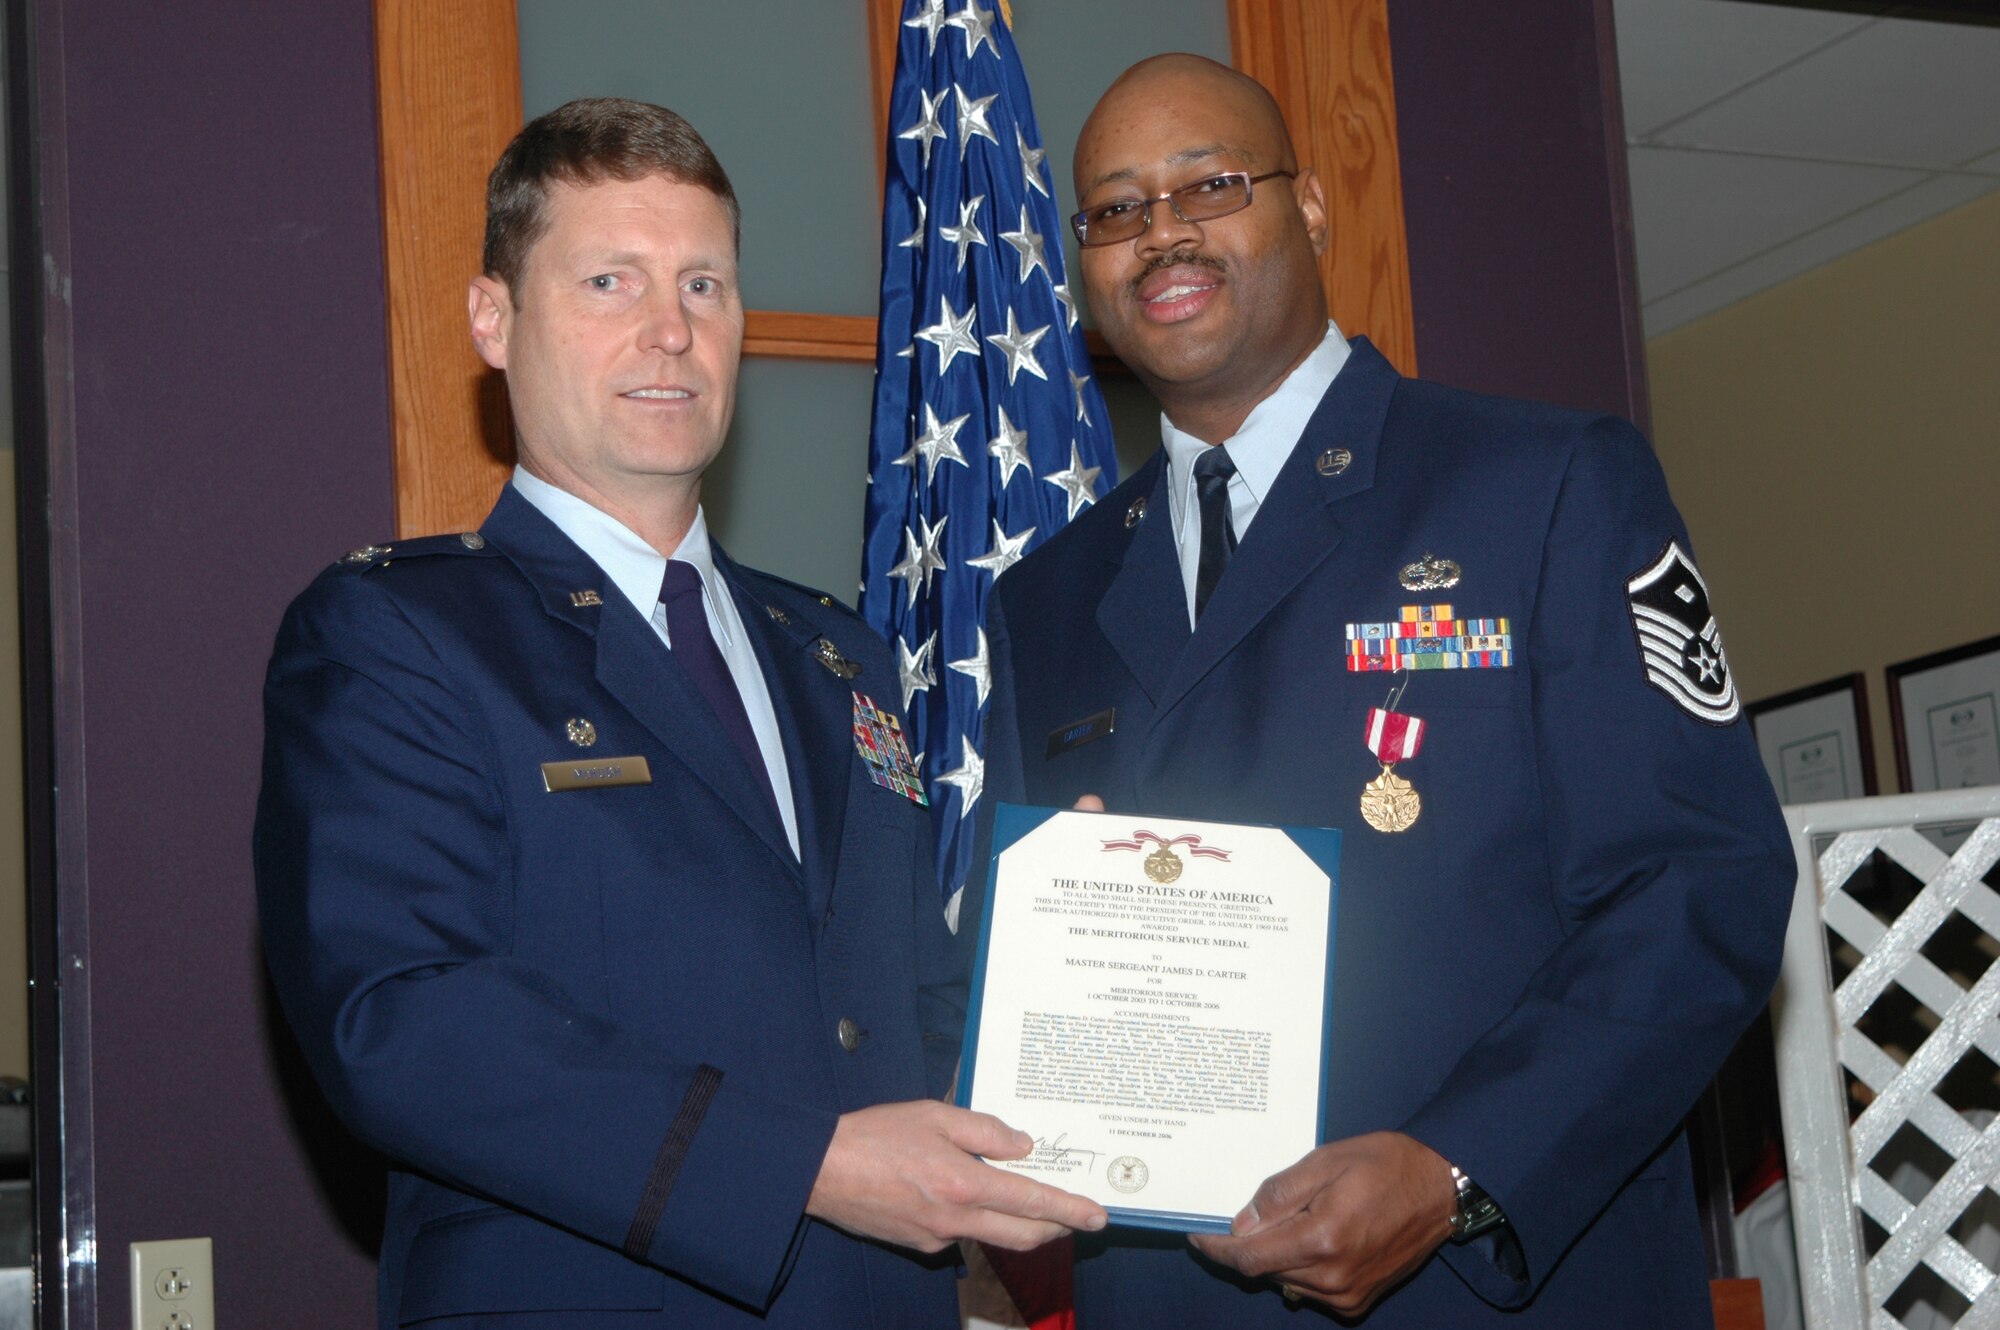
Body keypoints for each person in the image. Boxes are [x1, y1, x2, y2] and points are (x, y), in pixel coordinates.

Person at [255, 97, 1103, 1330]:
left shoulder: (837, 654)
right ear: (494, 321)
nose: (669, 330)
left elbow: (906, 1006)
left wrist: (1077, 947)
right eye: (609, 280)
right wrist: (804, 1167)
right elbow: (403, 1024)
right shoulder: (399, 637)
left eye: (704, 285)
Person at [976, 55, 1794, 1326]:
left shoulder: (1545, 485)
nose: (1162, 233)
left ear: (1306, 210)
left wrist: (1453, 1167)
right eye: (1115, 209)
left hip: (1494, 1280)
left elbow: (1702, 884)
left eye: (1210, 183)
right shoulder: (1043, 598)